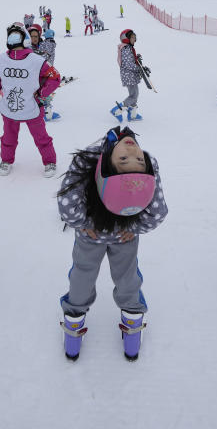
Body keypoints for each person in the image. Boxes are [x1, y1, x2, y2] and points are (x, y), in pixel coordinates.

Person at [57, 126, 168, 361]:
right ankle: (132, 328)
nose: (135, 152)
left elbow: (67, 203)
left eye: (136, 158)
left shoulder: (89, 159)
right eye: (132, 159)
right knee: (127, 277)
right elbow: (157, 212)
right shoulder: (93, 160)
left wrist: (84, 223)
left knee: (83, 274)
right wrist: (134, 227)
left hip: (91, 234)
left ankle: (73, 327)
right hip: (121, 235)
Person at [0, 24, 61, 177]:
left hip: (32, 108)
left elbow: (55, 77)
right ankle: (6, 160)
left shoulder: (37, 60)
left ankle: (49, 161)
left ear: (24, 38)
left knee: (41, 138)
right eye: (11, 35)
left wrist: (41, 94)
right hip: (9, 108)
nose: (13, 38)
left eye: (17, 35)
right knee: (8, 137)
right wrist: (0, 89)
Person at [111, 29, 145, 122]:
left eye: (135, 37)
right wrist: (139, 68)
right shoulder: (126, 49)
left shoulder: (128, 48)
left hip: (130, 75)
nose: (135, 39)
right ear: (126, 38)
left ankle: (132, 114)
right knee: (133, 95)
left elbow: (130, 60)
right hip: (129, 75)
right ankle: (117, 110)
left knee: (135, 94)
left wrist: (136, 58)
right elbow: (127, 64)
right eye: (133, 37)